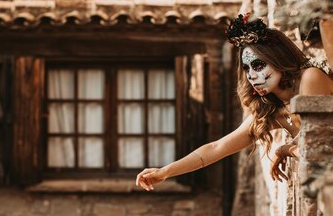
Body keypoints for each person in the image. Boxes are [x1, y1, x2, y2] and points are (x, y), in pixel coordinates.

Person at [136, 14, 333, 190]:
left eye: (258, 65)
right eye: (247, 69)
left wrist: (284, 149)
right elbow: (217, 148)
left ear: (279, 59)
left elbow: (314, 150)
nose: (252, 76)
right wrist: (165, 172)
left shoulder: (311, 78)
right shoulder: (272, 111)